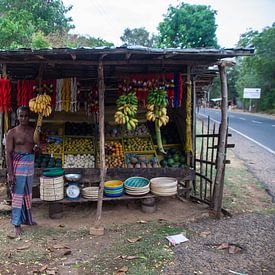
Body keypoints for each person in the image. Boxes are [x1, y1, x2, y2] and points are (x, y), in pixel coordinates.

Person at [5, 106, 39, 236]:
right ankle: (16, 223)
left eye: (26, 116)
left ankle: (27, 219)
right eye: (21, 116)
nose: (23, 118)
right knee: (17, 195)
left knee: (27, 194)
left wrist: (37, 150)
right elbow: (8, 154)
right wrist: (11, 173)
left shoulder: (33, 132)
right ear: (17, 117)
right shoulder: (12, 133)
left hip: (29, 165)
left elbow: (37, 151)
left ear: (28, 117)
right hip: (18, 166)